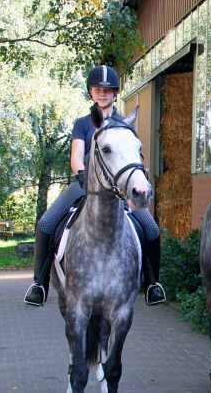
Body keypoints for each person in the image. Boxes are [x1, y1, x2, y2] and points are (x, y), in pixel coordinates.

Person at [23, 65, 166, 306]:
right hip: (86, 184)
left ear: (114, 94)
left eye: (108, 90)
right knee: (47, 222)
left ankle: (153, 284)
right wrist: (81, 174)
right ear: (91, 92)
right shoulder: (83, 123)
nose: (103, 94)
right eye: (98, 89)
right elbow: (77, 156)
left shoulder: (124, 122)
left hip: (118, 188)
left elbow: (131, 156)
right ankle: (39, 283)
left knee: (151, 229)